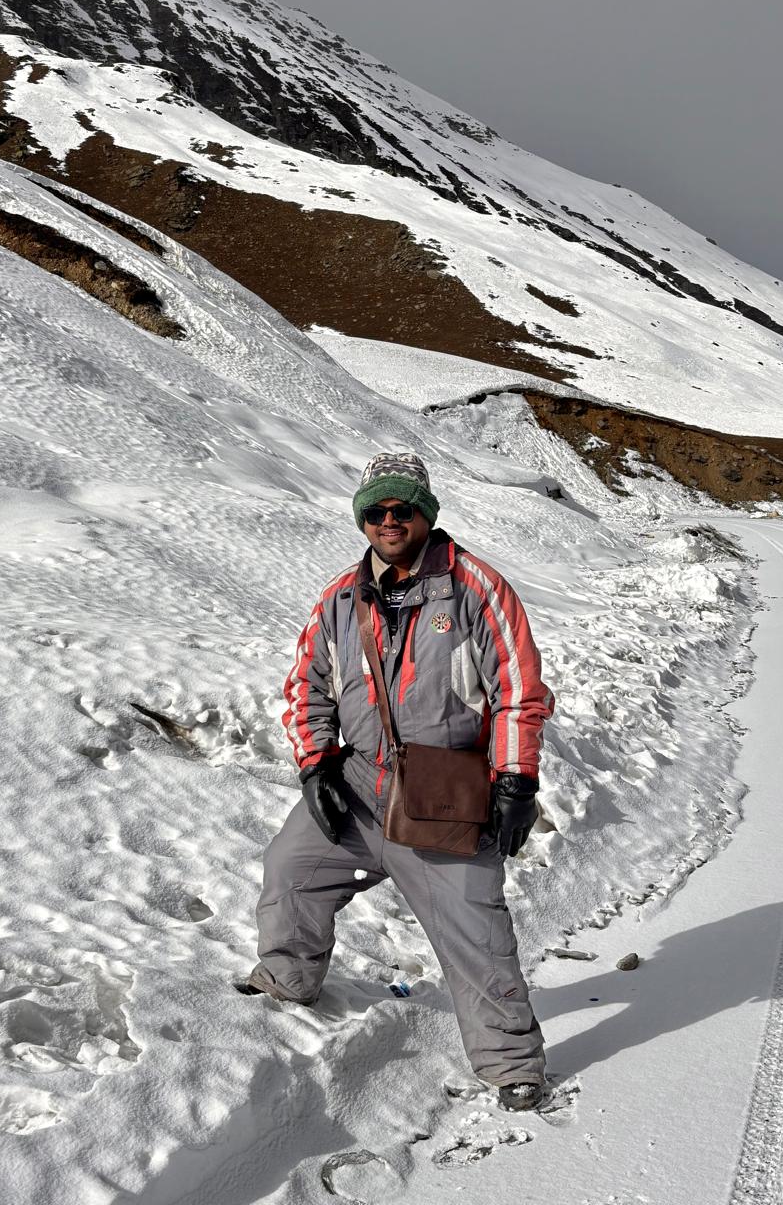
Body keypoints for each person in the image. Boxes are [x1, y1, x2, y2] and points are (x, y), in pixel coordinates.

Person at [241, 453, 555, 1110]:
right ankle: (288, 977)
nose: (390, 520)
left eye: (402, 509)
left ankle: (510, 1063)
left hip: (445, 788)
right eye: (377, 511)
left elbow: (518, 690)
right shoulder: (339, 598)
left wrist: (516, 780)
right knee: (291, 868)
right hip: (358, 778)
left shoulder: (476, 588)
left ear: (424, 515)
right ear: (363, 518)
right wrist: (316, 764)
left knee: (475, 929)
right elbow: (306, 687)